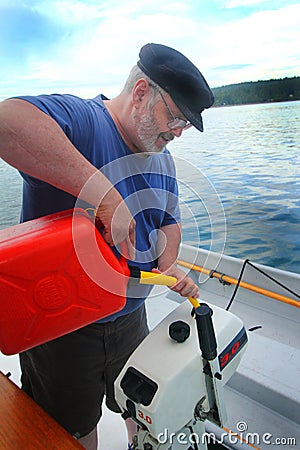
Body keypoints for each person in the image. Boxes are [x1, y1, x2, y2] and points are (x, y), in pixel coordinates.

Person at [0, 43, 214, 449]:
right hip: (62, 328)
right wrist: (103, 195)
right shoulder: (83, 120)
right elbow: (6, 122)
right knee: (72, 433)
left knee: (141, 411)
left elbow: (169, 222)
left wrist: (169, 266)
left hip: (131, 319)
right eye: (175, 116)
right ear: (139, 94)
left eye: (185, 123)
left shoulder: (162, 158)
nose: (178, 132)